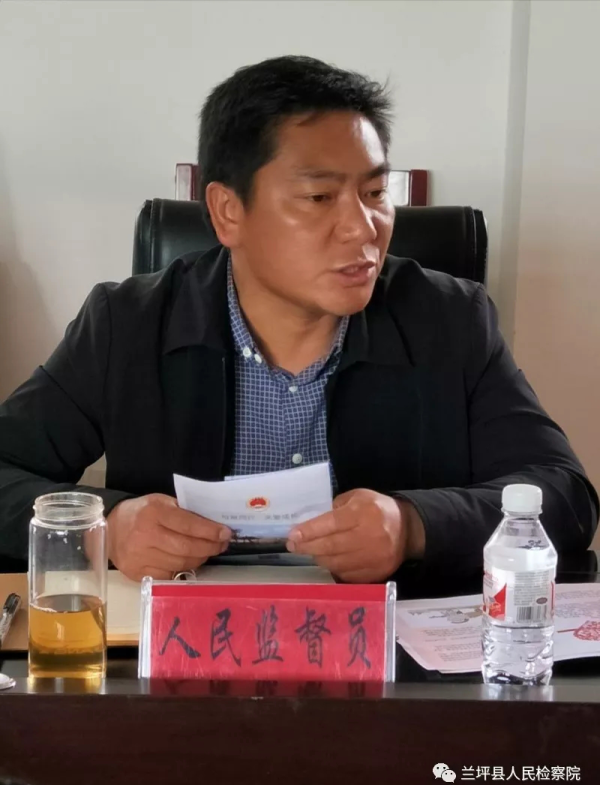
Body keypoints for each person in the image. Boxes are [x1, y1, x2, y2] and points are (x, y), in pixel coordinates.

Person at [0, 56, 597, 585]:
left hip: (386, 655)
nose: (362, 228)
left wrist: (413, 525)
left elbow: (564, 495)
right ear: (228, 212)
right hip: (180, 654)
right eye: (319, 197)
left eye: (375, 193)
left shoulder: (448, 319)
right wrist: (107, 527)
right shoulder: (127, 325)